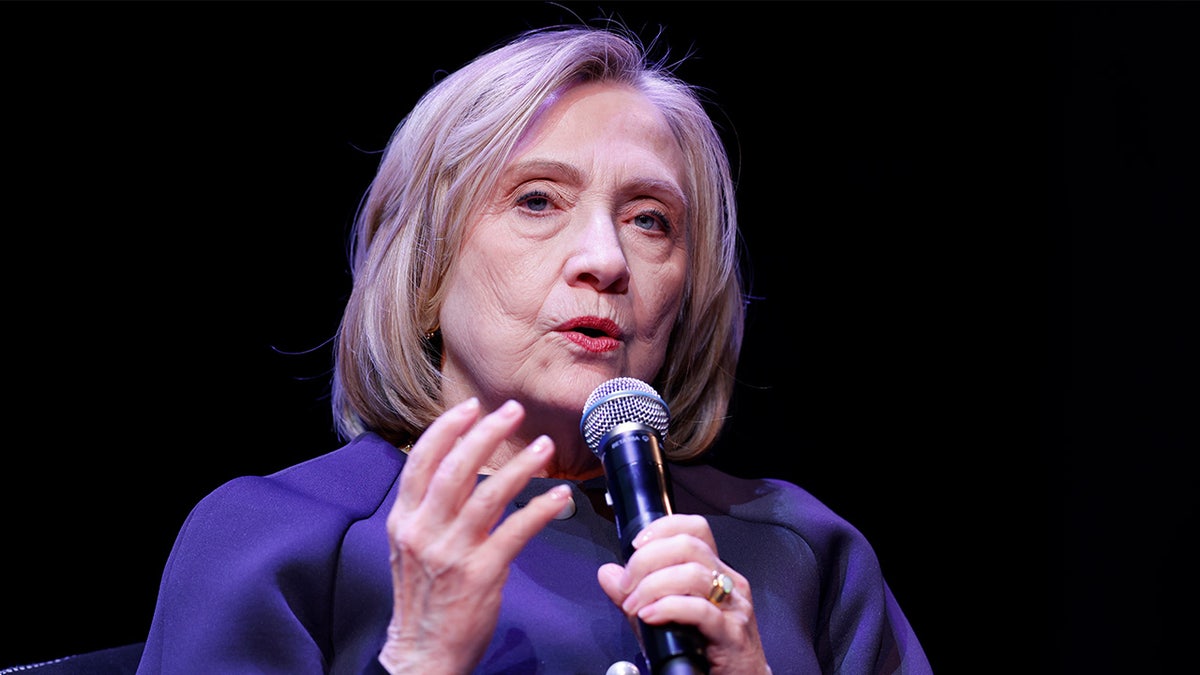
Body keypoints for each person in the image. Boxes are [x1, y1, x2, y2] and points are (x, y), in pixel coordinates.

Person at [135, 21, 932, 675]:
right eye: (538, 200)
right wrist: (418, 661)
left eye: (650, 218)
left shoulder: (804, 554)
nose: (608, 259)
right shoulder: (283, 540)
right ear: (427, 266)